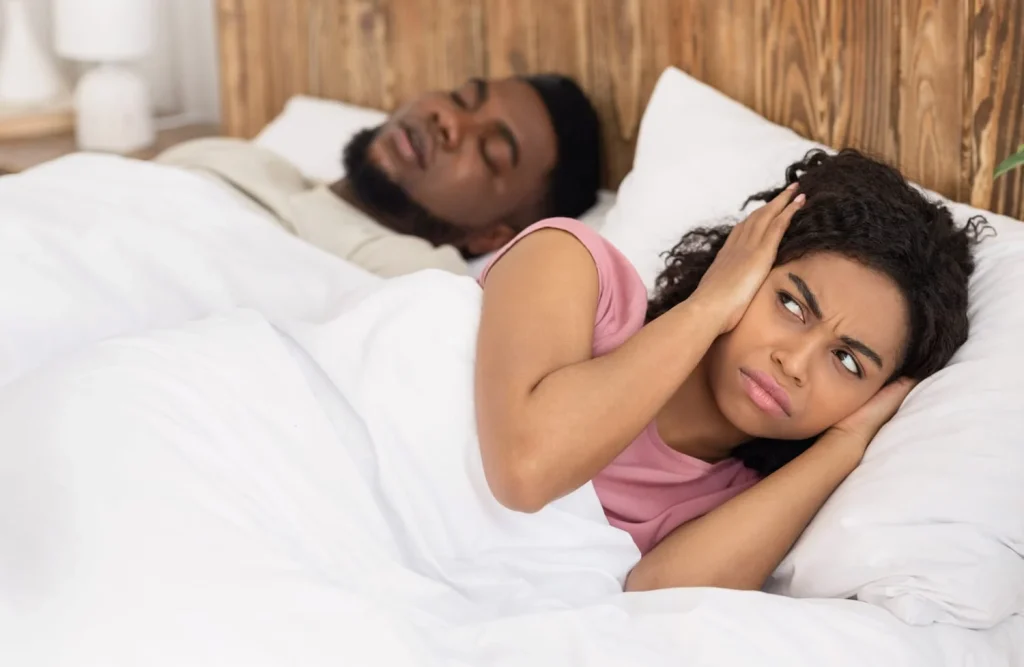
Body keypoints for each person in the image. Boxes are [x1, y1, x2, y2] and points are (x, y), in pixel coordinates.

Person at [473, 149, 987, 592]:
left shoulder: (738, 504)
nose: (795, 362)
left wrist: (846, 444)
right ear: (745, 260)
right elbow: (526, 472)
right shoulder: (576, 270)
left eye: (848, 361)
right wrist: (707, 305)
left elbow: (654, 608)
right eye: (790, 304)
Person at [156, 74, 602, 277]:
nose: (448, 121)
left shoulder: (410, 276)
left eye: (491, 152)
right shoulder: (240, 160)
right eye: (460, 98)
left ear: (491, 237)